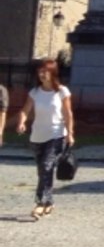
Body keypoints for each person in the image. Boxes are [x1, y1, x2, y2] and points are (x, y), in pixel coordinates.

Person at [15, 60, 75, 219]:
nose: (42, 74)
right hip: (37, 136)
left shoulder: (62, 91)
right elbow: (25, 111)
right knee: (43, 171)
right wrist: (22, 122)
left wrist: (70, 133)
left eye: (45, 71)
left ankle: (40, 204)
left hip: (56, 135)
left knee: (46, 166)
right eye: (40, 71)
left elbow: (68, 114)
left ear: (52, 73)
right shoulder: (35, 92)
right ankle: (49, 202)